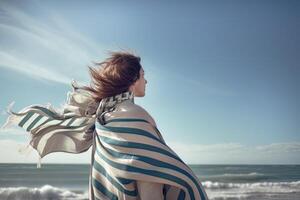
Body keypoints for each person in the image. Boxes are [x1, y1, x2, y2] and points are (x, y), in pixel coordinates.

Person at [2, 50, 209, 200]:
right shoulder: (134, 115)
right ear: (133, 79)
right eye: (143, 75)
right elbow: (148, 176)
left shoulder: (104, 118)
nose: (147, 81)